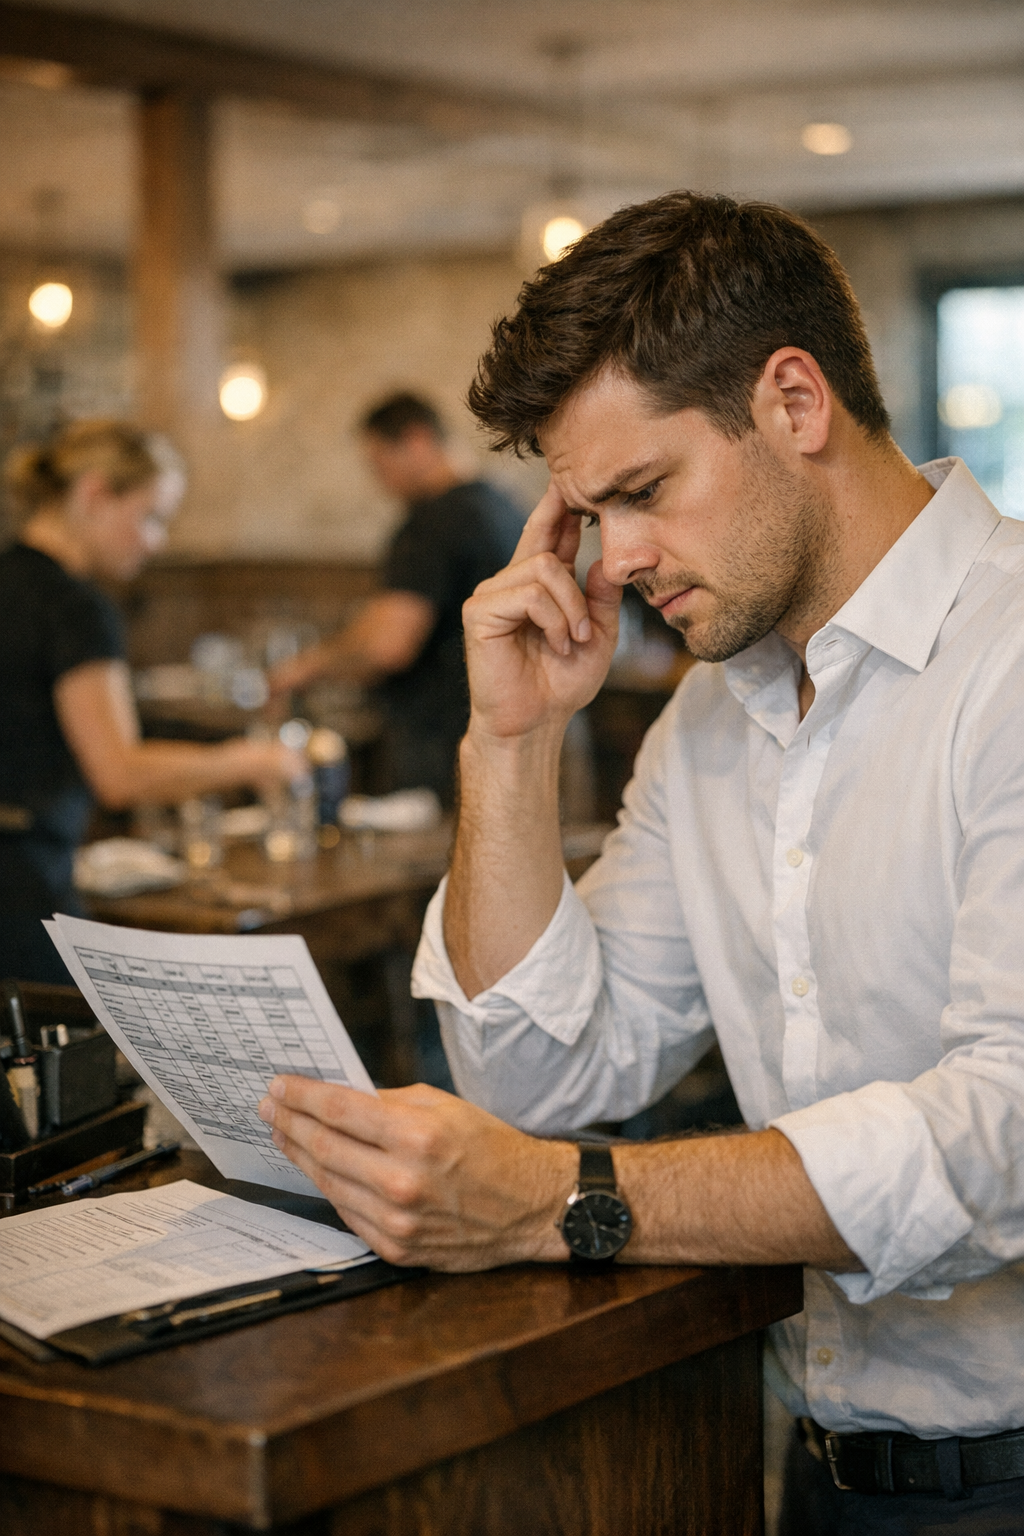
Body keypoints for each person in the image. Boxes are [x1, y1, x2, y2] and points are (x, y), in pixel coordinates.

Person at [257, 194, 1024, 1531]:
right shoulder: (709, 716)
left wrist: (566, 1203)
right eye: (590, 512)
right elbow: (543, 1071)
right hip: (810, 1461)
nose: (615, 561)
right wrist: (511, 742)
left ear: (794, 401)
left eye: (644, 492)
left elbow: (1001, 1137)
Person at [1, 420, 305, 984]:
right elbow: (119, 772)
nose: (156, 540)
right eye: (151, 516)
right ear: (95, 494)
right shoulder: (76, 607)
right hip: (20, 888)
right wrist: (252, 760)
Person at [267, 392, 524, 808]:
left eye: (379, 464)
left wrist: (307, 667)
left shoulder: (432, 521)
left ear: (418, 440)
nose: (380, 481)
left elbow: (389, 645)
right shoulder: (502, 508)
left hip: (442, 738)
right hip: (506, 725)